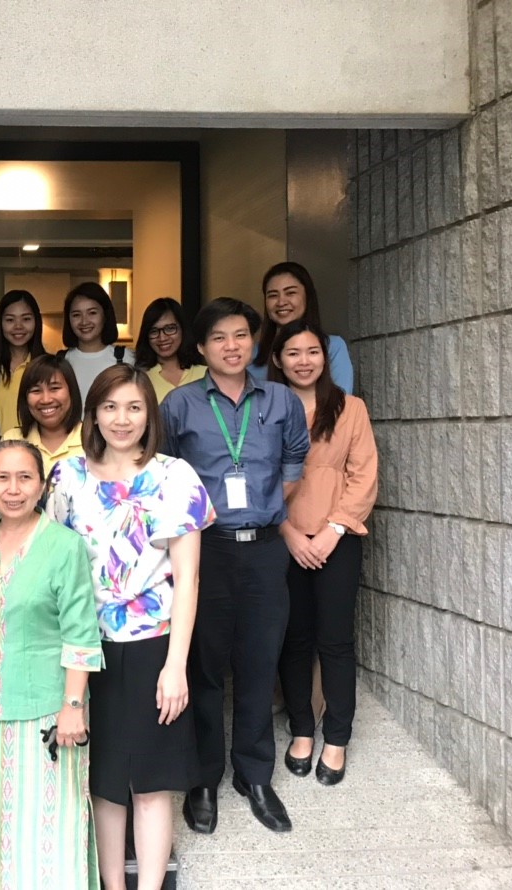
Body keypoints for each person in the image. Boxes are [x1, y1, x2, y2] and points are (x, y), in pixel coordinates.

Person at [46, 365, 214, 890]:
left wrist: (176, 666)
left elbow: (188, 579)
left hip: (153, 644)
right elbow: (49, 564)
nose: (122, 419)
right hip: (84, 645)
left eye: (134, 408)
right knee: (103, 781)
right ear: (93, 413)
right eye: (111, 407)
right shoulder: (66, 477)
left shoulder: (175, 476)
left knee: (152, 784)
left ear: (149, 415)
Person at [159, 297, 309, 835]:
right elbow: (166, 473)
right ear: (201, 348)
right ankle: (204, 778)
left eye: (241, 335)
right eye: (219, 337)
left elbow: (294, 463)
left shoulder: (282, 400)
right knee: (204, 665)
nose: (231, 346)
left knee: (259, 660)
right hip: (207, 548)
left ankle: (255, 774)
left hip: (266, 548)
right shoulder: (178, 405)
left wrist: (259, 507)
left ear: (254, 342)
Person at [0, 440, 103, 890]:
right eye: (2, 478)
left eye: (25, 478)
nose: (13, 490)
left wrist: (73, 706)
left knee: (48, 831)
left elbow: (81, 633)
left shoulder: (63, 545)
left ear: (43, 485)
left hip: (48, 712)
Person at [269, 321, 377, 786]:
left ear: (325, 357)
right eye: (293, 352)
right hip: (284, 537)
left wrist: (333, 530)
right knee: (293, 640)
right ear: (278, 359)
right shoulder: (265, 408)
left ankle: (337, 737)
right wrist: (289, 533)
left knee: (335, 641)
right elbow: (258, 478)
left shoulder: (350, 409)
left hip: (338, 538)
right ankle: (301, 729)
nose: (304, 361)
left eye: (312, 351)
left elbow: (363, 475)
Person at [249, 261, 354, 393]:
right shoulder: (250, 353)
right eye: (273, 295)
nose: (281, 302)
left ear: (307, 297)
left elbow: (342, 401)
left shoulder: (332, 346)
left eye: (290, 293)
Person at [0, 289, 47, 433]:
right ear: (0, 323)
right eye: (10, 320)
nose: (18, 326)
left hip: (39, 445)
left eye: (26, 319)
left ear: (36, 322)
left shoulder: (49, 366)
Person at [1, 355, 85, 478]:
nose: (46, 400)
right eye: (36, 390)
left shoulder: (93, 439)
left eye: (54, 388)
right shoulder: (12, 441)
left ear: (71, 392)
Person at [61, 282, 127, 402]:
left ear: (105, 315)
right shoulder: (60, 361)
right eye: (76, 315)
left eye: (92, 313)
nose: (84, 322)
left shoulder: (127, 359)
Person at [133, 297, 205, 401]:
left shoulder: (206, 374)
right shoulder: (140, 379)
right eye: (154, 331)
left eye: (170, 328)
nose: (162, 338)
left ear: (183, 329)